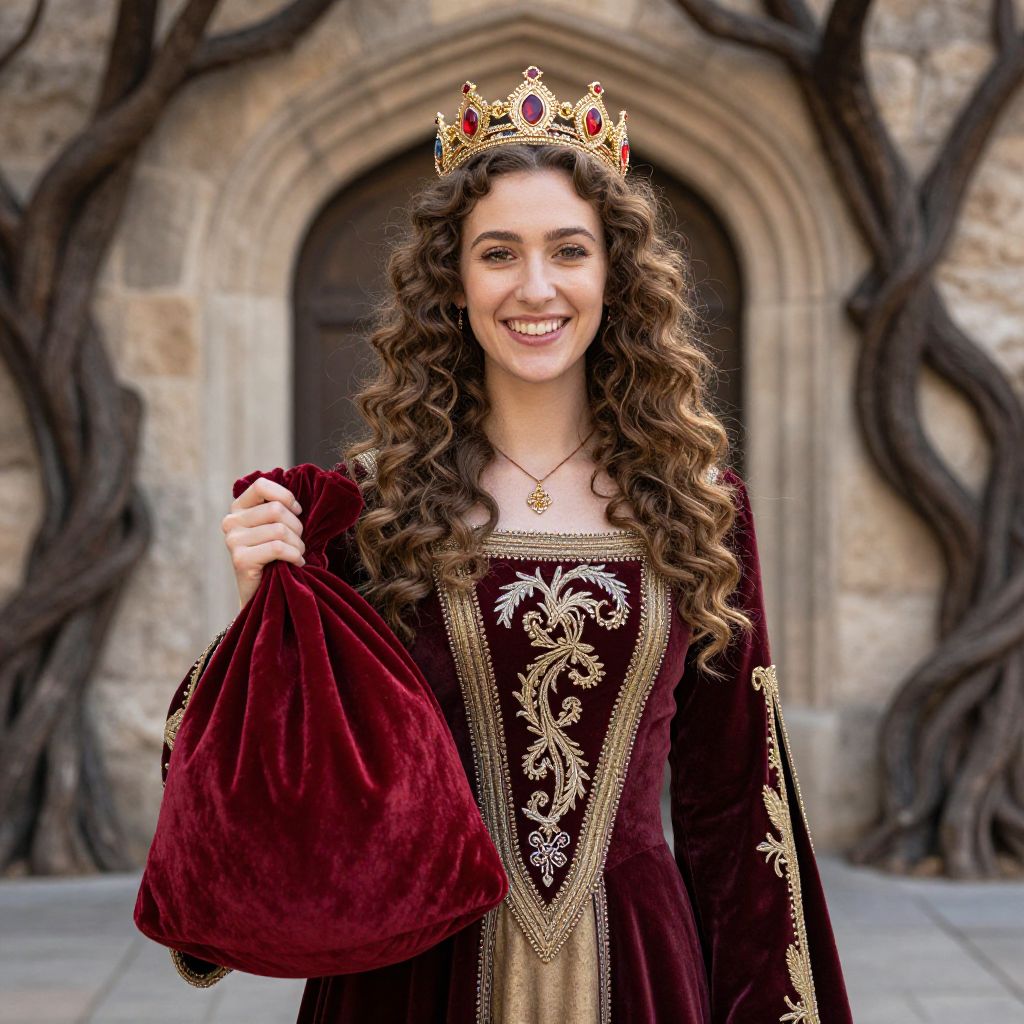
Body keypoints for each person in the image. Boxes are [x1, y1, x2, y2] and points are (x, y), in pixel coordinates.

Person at [158, 66, 853, 1022]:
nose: (536, 288)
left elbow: (737, 808)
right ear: (454, 281)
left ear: (614, 272)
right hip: (412, 980)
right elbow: (269, 790)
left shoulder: (698, 509)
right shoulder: (371, 511)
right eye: (498, 254)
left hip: (639, 975)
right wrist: (267, 610)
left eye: (569, 250)